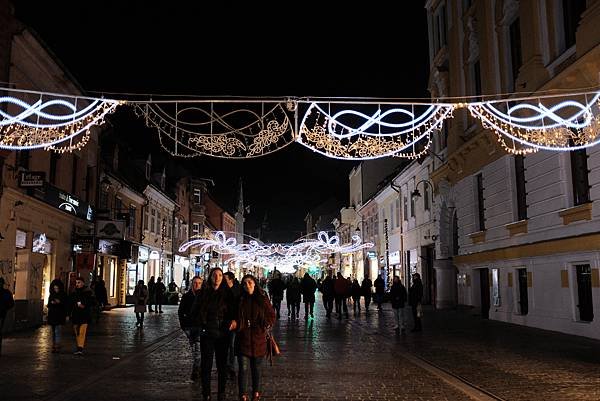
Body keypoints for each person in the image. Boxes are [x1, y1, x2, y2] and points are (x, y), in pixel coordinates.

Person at [193, 268, 236, 401]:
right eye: (214, 275)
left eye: (219, 275)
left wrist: (233, 322)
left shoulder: (228, 294)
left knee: (222, 365)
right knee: (206, 365)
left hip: (223, 334)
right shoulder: (203, 293)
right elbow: (194, 311)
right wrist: (200, 325)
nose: (217, 278)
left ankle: (221, 392)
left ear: (222, 278)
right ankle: (206, 393)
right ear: (210, 277)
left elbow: (233, 311)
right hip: (207, 334)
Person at [233, 274, 275, 401]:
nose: (247, 285)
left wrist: (265, 324)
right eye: (245, 283)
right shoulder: (239, 299)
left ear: (255, 283)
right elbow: (233, 314)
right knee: (243, 369)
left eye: (250, 282)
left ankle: (256, 393)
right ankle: (243, 395)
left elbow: (271, 315)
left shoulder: (262, 298)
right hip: (243, 338)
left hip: (258, 339)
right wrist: (238, 324)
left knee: (256, 369)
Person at [179, 275, 203, 381]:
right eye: (195, 283)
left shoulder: (204, 297)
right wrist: (184, 326)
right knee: (195, 350)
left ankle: (196, 370)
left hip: (200, 327)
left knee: (197, 350)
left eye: (199, 283)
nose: (197, 285)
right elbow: (181, 312)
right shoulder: (186, 296)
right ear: (192, 284)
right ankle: (198, 369)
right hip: (189, 327)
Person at [69, 277, 94, 355]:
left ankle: (80, 348)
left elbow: (92, 302)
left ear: (83, 283)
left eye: (79, 282)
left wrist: (84, 305)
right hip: (76, 315)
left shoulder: (88, 292)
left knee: (82, 331)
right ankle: (79, 346)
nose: (77, 284)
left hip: (84, 315)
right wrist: (68, 313)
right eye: (76, 283)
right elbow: (70, 303)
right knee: (76, 331)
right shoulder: (74, 293)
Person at [224, 271, 241, 380]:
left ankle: (231, 367)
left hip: (234, 322)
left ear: (231, 279)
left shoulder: (238, 291)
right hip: (223, 322)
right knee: (224, 346)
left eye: (225, 278)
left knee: (232, 345)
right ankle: (225, 367)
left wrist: (236, 321)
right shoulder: (222, 290)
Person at [47, 281, 68, 352]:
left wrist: (59, 302)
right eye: (55, 288)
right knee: (53, 331)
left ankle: (57, 345)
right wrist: (51, 303)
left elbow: (65, 305)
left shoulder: (63, 295)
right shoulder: (52, 295)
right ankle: (54, 344)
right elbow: (49, 304)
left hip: (59, 315)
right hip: (52, 315)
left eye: (57, 288)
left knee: (57, 330)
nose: (56, 290)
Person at [0, 277, 15, 356]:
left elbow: (11, 304)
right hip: (2, 313)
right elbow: (11, 304)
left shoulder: (6, 293)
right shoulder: (7, 293)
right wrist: (5, 308)